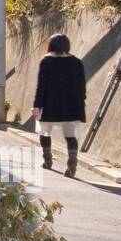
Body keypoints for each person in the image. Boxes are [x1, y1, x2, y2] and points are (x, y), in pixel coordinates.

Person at [32, 34, 86, 178]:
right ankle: (72, 164)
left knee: (44, 132)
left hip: (50, 104)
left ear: (51, 45)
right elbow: (82, 87)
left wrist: (37, 105)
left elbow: (41, 85)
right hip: (72, 105)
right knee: (70, 136)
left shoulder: (46, 61)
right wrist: (81, 102)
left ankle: (48, 161)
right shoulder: (77, 62)